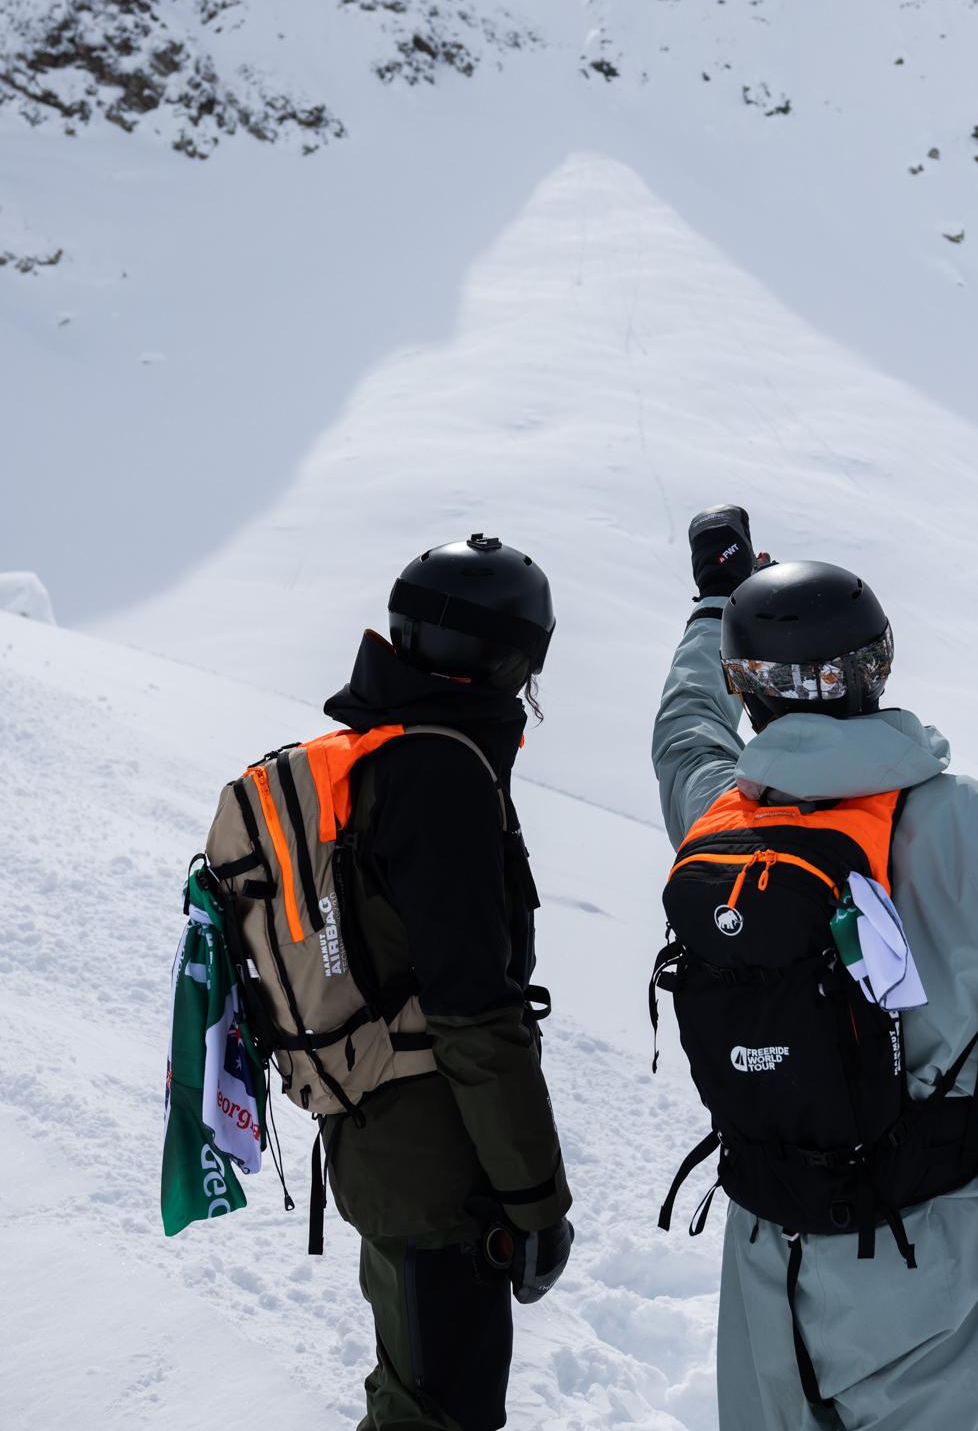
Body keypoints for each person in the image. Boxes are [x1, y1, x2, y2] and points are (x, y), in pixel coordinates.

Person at [651, 506, 978, 1431]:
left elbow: (683, 730)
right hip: (926, 1262)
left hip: (764, 1255)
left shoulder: (721, 822)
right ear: (876, 666)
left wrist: (713, 600)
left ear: (744, 688)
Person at [319, 533, 573, 1431]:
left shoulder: (373, 755)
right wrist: (538, 1204)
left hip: (373, 1136)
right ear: (510, 660)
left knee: (414, 1392)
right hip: (435, 1165)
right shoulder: (440, 776)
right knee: (442, 1412)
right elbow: (474, 1012)